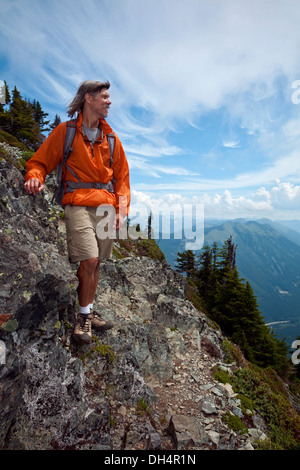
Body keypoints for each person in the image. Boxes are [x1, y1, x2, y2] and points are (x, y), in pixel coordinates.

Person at [24, 80, 130, 344]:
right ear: (88, 98)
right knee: (90, 260)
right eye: (104, 96)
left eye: (109, 97)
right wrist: (34, 176)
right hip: (78, 202)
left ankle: (89, 311)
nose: (109, 101)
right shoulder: (66, 131)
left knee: (95, 265)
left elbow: (122, 179)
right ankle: (83, 320)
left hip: (106, 207)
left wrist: (121, 210)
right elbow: (40, 161)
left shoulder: (112, 139)